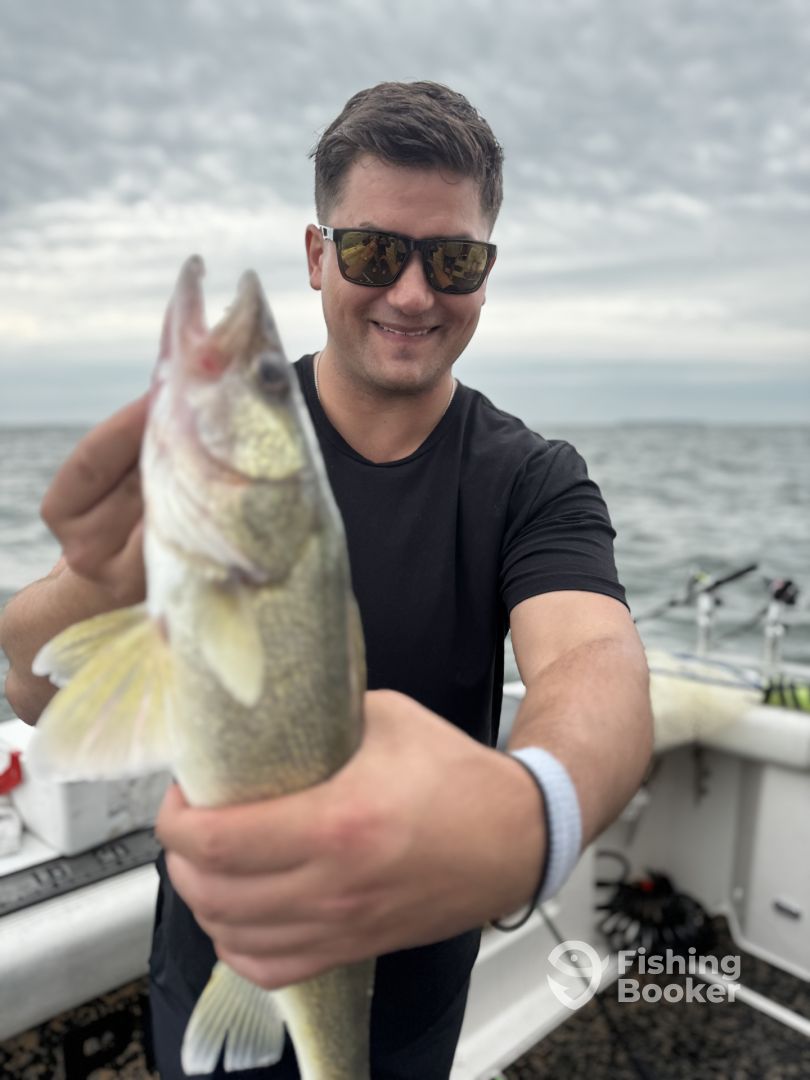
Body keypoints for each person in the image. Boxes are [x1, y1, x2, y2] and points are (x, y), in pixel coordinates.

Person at [0, 81, 653, 1078]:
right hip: (208, 967)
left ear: (488, 273)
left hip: (412, 997)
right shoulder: (220, 458)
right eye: (374, 252)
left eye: (454, 260)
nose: (413, 294)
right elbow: (36, 689)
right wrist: (104, 578)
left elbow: (593, 660)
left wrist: (533, 816)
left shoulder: (534, 479)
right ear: (317, 256)